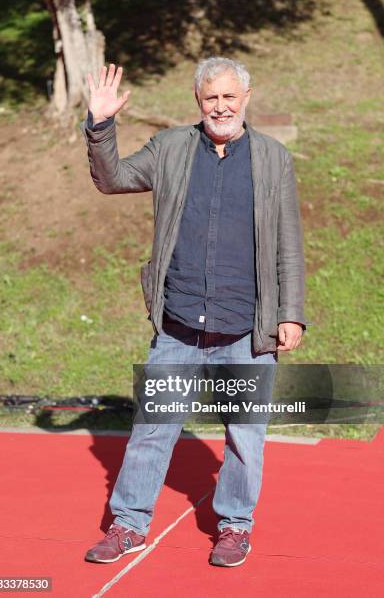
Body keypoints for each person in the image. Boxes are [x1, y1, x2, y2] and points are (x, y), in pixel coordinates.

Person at [81, 57, 306, 568]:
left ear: (245, 97)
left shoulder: (273, 158)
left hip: (247, 328)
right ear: (198, 102)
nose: (220, 106)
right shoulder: (171, 148)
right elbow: (112, 178)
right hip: (179, 322)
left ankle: (235, 527)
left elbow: (288, 244)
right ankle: (129, 523)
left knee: (245, 437)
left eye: (229, 96)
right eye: (211, 98)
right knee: (152, 428)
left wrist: (290, 313)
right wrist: (100, 124)